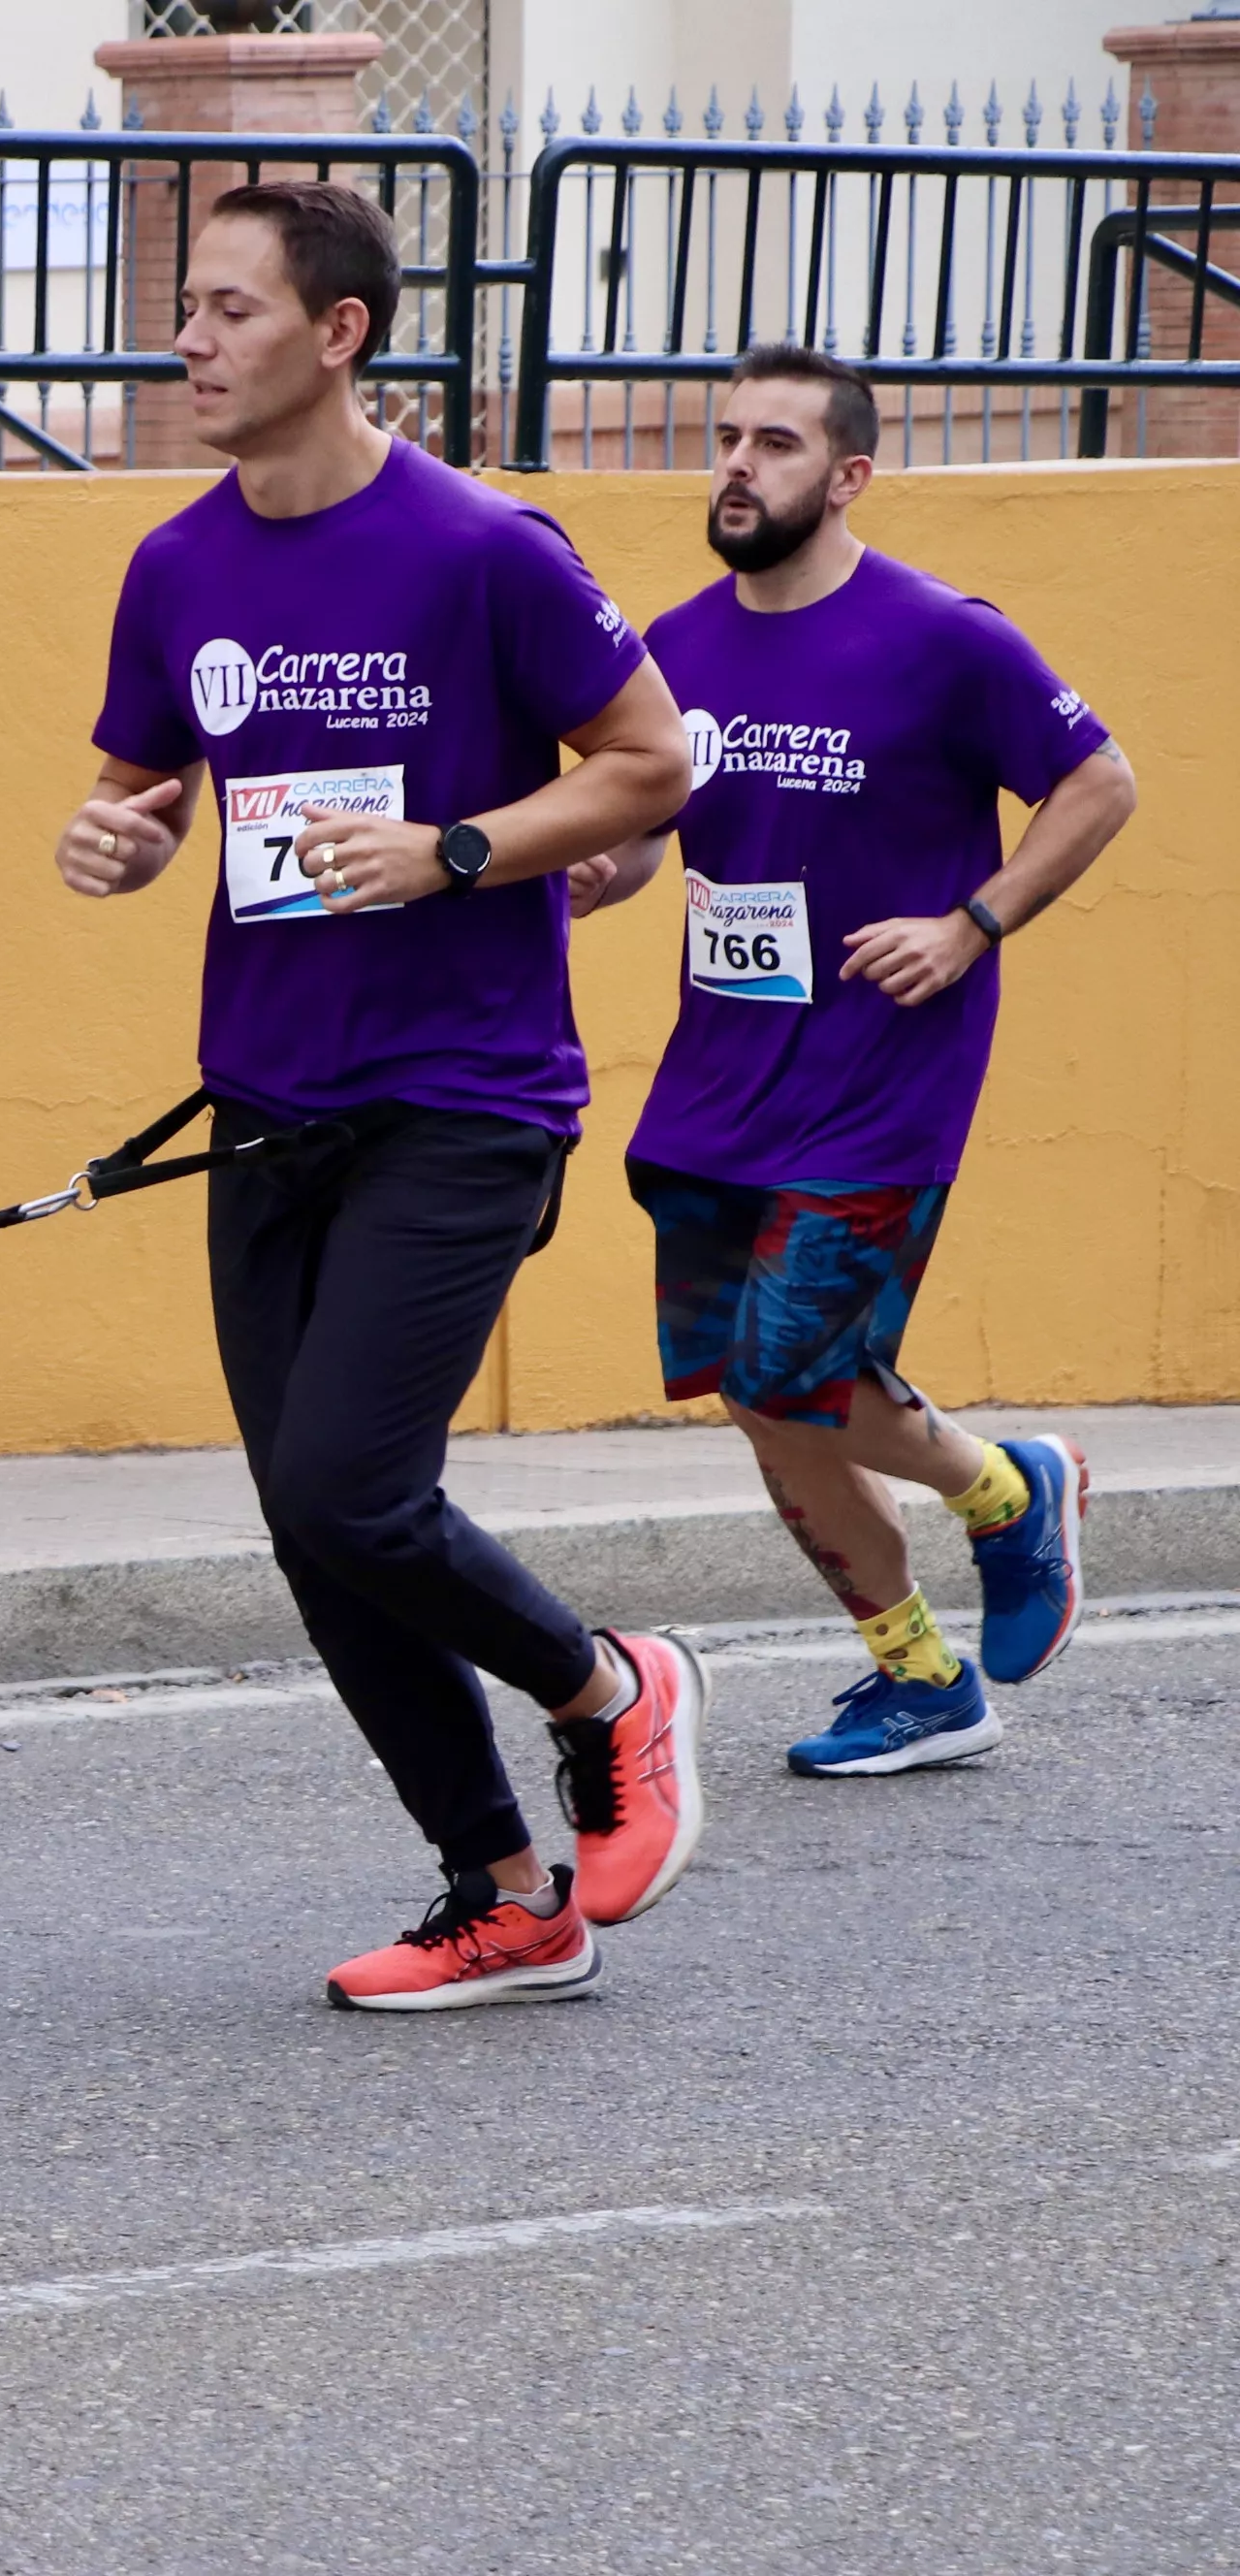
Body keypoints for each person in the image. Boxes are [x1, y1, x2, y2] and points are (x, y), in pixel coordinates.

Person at [58, 181, 706, 2011]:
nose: (186, 339)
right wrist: (113, 835)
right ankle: (502, 1890)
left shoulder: (482, 547)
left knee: (349, 1484)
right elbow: (141, 778)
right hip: (264, 1099)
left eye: (226, 309)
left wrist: (458, 848)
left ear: (335, 333)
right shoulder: (175, 564)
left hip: (464, 1095)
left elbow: (646, 765)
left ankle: (607, 1688)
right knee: (311, 1518)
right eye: (183, 308)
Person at [571, 345, 1130, 1777]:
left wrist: (973, 923)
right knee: (756, 1395)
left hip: (882, 1077)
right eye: (728, 439)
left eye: (775, 443)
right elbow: (649, 822)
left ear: (850, 474)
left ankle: (1009, 1491)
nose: (739, 467)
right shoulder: (679, 646)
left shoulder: (945, 637)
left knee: (791, 1362)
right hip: (719, 1082)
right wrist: (602, 868)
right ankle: (919, 1675)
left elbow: (1099, 780)